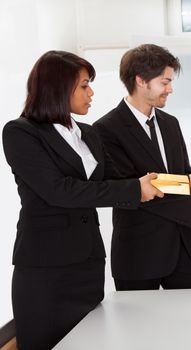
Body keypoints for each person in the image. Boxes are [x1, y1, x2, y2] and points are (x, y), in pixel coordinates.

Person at [2, 50, 163, 349]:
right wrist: (133, 189)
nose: (92, 93)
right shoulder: (20, 133)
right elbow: (59, 190)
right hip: (46, 270)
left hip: (87, 265)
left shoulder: (88, 134)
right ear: (57, 87)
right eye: (84, 85)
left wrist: (177, 183)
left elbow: (114, 181)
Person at [92, 44, 191, 291]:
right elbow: (134, 191)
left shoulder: (170, 123)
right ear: (141, 81)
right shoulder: (106, 129)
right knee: (140, 330)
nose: (170, 89)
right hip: (139, 255)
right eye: (165, 82)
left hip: (183, 252)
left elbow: (183, 173)